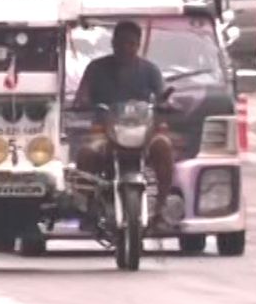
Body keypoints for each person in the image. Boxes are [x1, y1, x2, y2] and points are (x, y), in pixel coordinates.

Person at [73, 19, 179, 233]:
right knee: (86, 153)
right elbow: (81, 96)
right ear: (113, 44)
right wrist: (82, 103)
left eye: (131, 44)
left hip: (142, 134)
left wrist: (165, 104)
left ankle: (160, 208)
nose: (125, 48)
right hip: (106, 134)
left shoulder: (150, 70)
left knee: (164, 146)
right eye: (121, 43)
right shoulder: (96, 68)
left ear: (137, 45)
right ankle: (88, 208)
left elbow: (161, 96)